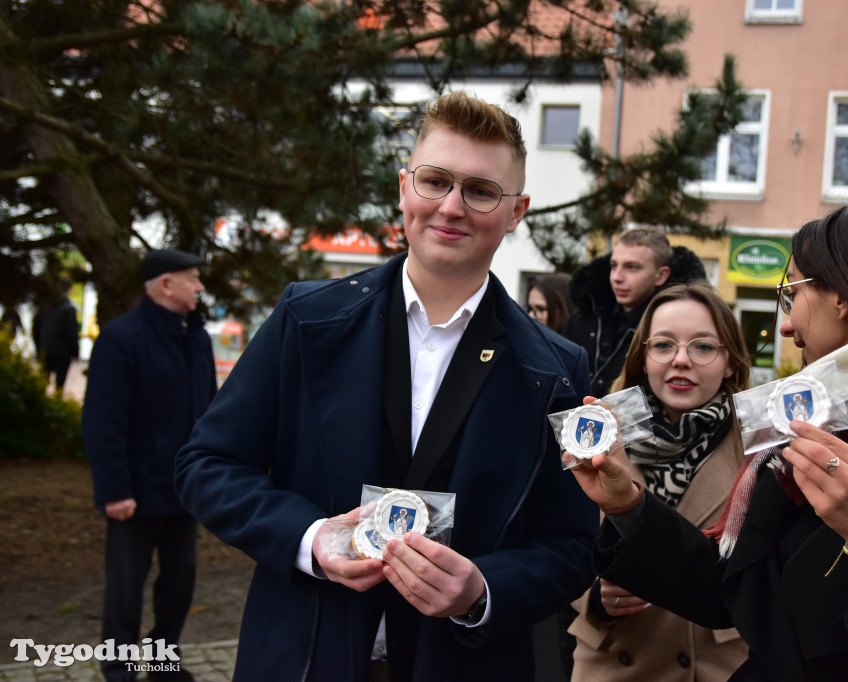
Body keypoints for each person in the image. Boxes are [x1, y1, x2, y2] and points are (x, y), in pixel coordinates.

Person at [175, 92, 597, 682]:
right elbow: (206, 464)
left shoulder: (556, 367)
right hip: (303, 657)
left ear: (517, 210)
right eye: (434, 181)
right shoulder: (307, 320)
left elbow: (572, 543)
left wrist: (483, 588)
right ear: (405, 188)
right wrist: (311, 537)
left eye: (479, 190)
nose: (451, 207)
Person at [569, 200, 848, 681]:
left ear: (841, 298)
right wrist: (629, 508)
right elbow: (735, 589)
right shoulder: (816, 422)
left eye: (790, 294)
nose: (784, 325)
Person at [569, 282, 750, 682]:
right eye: (664, 345)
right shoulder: (595, 435)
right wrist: (594, 599)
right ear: (643, 356)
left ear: (731, 362)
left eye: (702, 347)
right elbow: (560, 542)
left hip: (718, 666)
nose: (680, 360)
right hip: (616, 660)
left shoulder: (760, 446)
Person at [82, 249, 216, 682]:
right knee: (125, 587)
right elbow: (103, 422)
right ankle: (119, 669)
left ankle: (162, 663)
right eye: (191, 278)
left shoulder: (196, 335)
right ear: (164, 284)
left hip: (183, 490)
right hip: (134, 493)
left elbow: (208, 413)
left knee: (179, 584)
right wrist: (114, 491)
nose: (199, 286)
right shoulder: (122, 339)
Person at [562, 228, 706, 396]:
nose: (617, 277)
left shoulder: (673, 329)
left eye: (632, 267)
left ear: (660, 276)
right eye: (614, 266)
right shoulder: (583, 317)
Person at [32, 277, 79, 394]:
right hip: (62, 353)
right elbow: (71, 333)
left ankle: (40, 407)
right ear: (68, 290)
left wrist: (39, 349)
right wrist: (75, 352)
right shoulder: (68, 309)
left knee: (42, 384)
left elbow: (35, 329)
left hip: (46, 349)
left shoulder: (44, 308)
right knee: (59, 386)